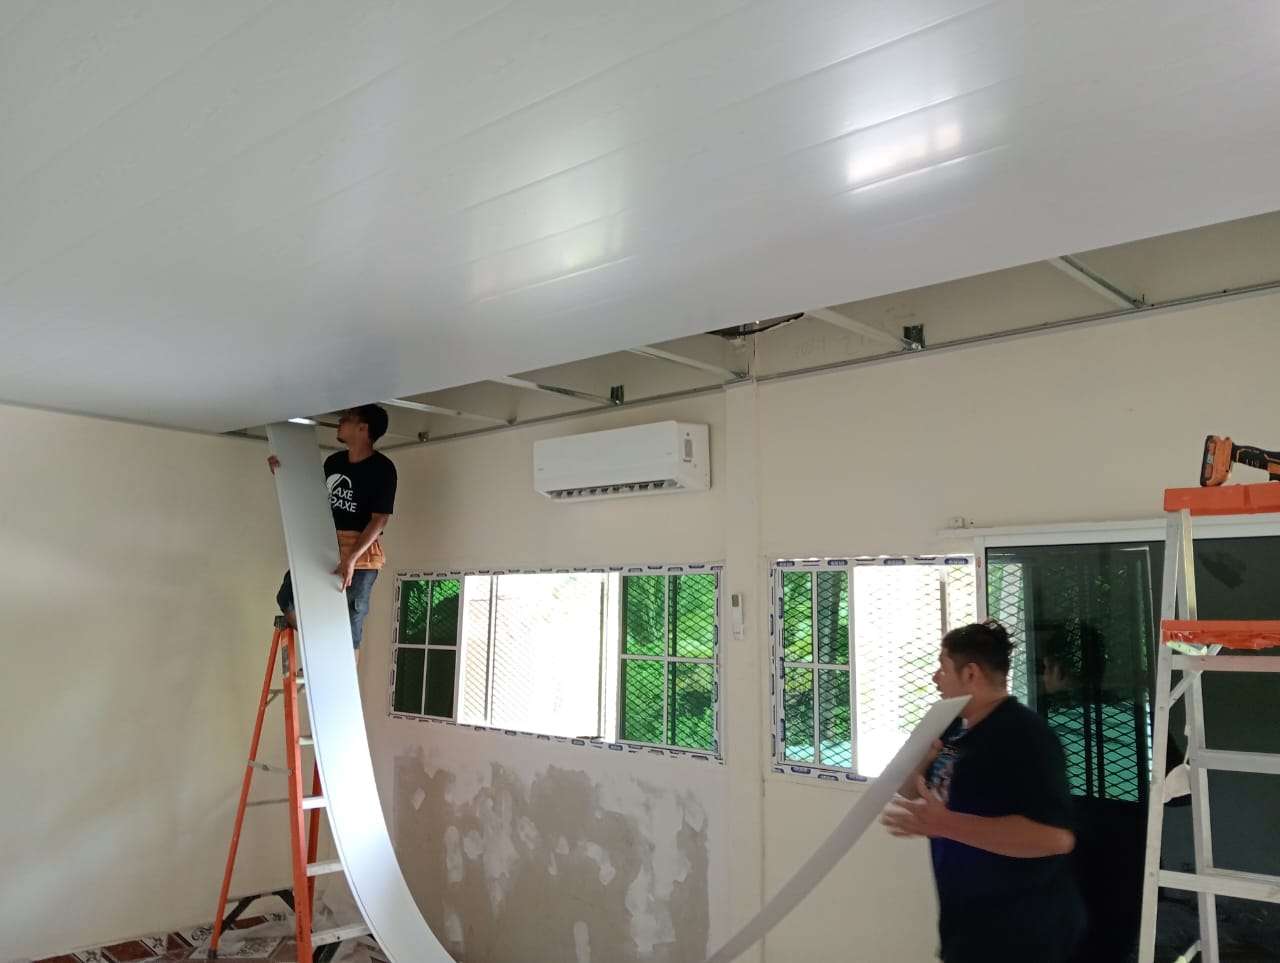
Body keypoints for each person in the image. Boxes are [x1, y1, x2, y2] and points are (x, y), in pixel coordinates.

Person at [881, 621, 1085, 963]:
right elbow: (908, 791)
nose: (935, 678)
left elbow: (1055, 839)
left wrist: (944, 825)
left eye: (943, 668)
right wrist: (922, 757)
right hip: (969, 926)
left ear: (970, 674)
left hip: (1021, 935)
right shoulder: (954, 727)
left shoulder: (1023, 736)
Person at [269, 405, 397, 659]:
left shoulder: (382, 468)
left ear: (364, 428)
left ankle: (343, 679)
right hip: (326, 543)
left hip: (361, 555)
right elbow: (314, 497)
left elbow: (380, 520)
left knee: (351, 617)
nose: (340, 422)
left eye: (347, 419)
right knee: (288, 596)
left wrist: (351, 559)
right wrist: (283, 472)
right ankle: (321, 654)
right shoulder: (335, 462)